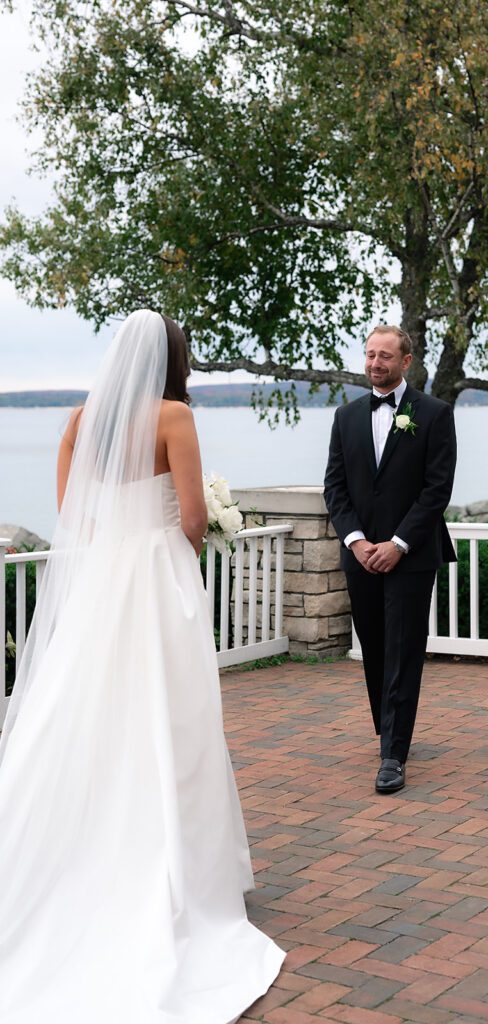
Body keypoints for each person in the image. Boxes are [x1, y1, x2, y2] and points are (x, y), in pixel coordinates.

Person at [0, 310, 284, 1023]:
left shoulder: (78, 420)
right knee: (172, 721)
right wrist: (182, 549)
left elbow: (73, 517)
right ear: (174, 358)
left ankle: (76, 857)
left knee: (89, 717)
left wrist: (112, 552)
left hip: (101, 585)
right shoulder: (175, 416)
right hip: (158, 583)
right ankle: (171, 871)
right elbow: (191, 516)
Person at [324, 325, 457, 794]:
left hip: (412, 555)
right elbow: (334, 488)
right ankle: (391, 727)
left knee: (402, 649)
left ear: (406, 361)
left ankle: (393, 755)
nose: (375, 363)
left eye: (385, 356)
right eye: (370, 355)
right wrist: (358, 542)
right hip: (360, 555)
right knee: (375, 647)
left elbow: (436, 489)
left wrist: (398, 543)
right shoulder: (346, 417)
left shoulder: (435, 415)